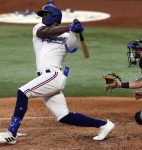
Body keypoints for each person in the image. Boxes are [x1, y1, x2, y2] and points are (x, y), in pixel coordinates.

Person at [0, 4, 115, 144]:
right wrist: (69, 26)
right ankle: (104, 125)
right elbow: (44, 33)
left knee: (23, 92)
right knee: (63, 116)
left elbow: (72, 47)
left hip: (53, 76)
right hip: (45, 78)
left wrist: (73, 31)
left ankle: (11, 134)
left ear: (54, 17)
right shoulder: (38, 28)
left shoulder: (67, 36)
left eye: (45, 14)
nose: (43, 17)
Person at [107, 39, 142, 125]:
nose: (134, 53)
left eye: (138, 50)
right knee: (139, 118)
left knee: (140, 118)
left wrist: (121, 84)